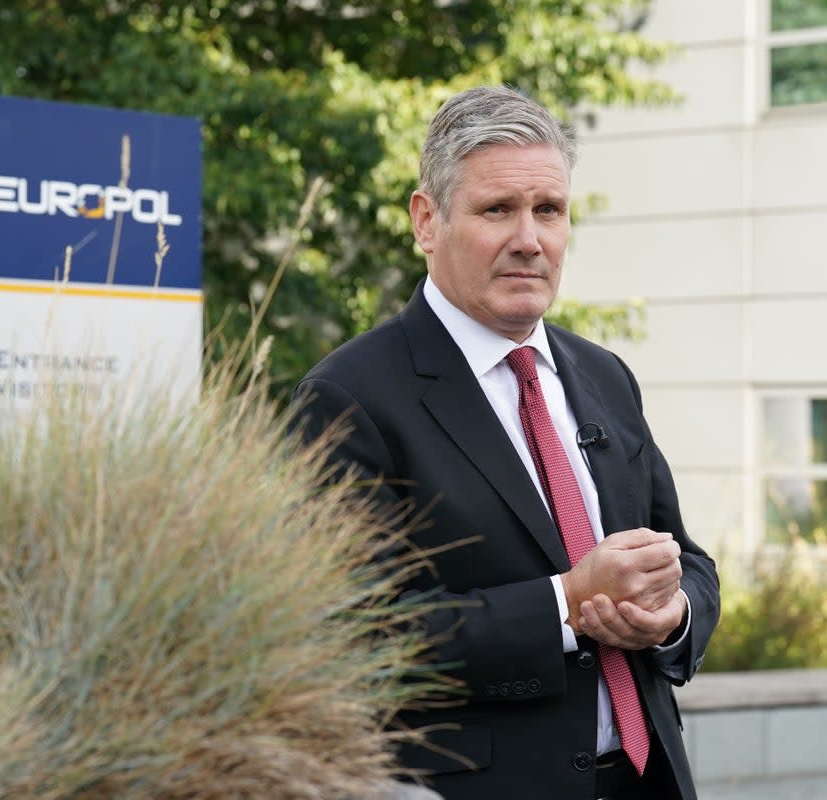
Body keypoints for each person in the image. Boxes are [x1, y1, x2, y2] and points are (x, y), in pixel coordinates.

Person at [292, 86, 719, 800]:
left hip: (649, 783)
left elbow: (687, 562)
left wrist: (670, 615)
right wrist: (565, 604)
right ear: (427, 221)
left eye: (548, 210)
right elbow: (357, 642)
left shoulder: (605, 376)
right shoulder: (349, 399)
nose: (530, 239)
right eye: (498, 210)